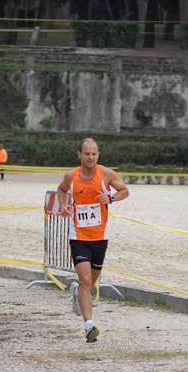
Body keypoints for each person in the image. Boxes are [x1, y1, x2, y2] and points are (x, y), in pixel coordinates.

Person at [57, 138, 129, 342]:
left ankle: (76, 292)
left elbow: (125, 190)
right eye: (86, 153)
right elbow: (61, 190)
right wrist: (63, 206)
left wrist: (111, 198)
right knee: (86, 280)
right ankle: (89, 325)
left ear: (98, 154)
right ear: (79, 154)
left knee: (90, 284)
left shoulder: (106, 174)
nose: (90, 157)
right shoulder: (71, 176)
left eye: (94, 154)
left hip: (100, 236)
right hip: (78, 236)